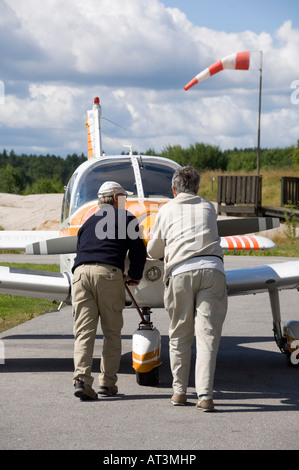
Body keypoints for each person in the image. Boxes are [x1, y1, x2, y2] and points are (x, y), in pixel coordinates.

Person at [147, 166, 227, 411]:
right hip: (213, 270)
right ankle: (205, 396)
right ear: (198, 188)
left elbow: (153, 251)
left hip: (180, 271)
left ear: (173, 189)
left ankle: (179, 392)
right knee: (207, 336)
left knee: (180, 334)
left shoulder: (166, 209)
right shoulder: (208, 207)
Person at [72, 181, 146, 400]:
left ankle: (81, 380)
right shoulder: (127, 218)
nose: (126, 202)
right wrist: (134, 274)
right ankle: (107, 383)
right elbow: (138, 251)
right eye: (124, 198)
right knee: (112, 333)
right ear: (116, 199)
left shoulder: (88, 221)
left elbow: (81, 249)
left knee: (84, 333)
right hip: (108, 275)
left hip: (80, 275)